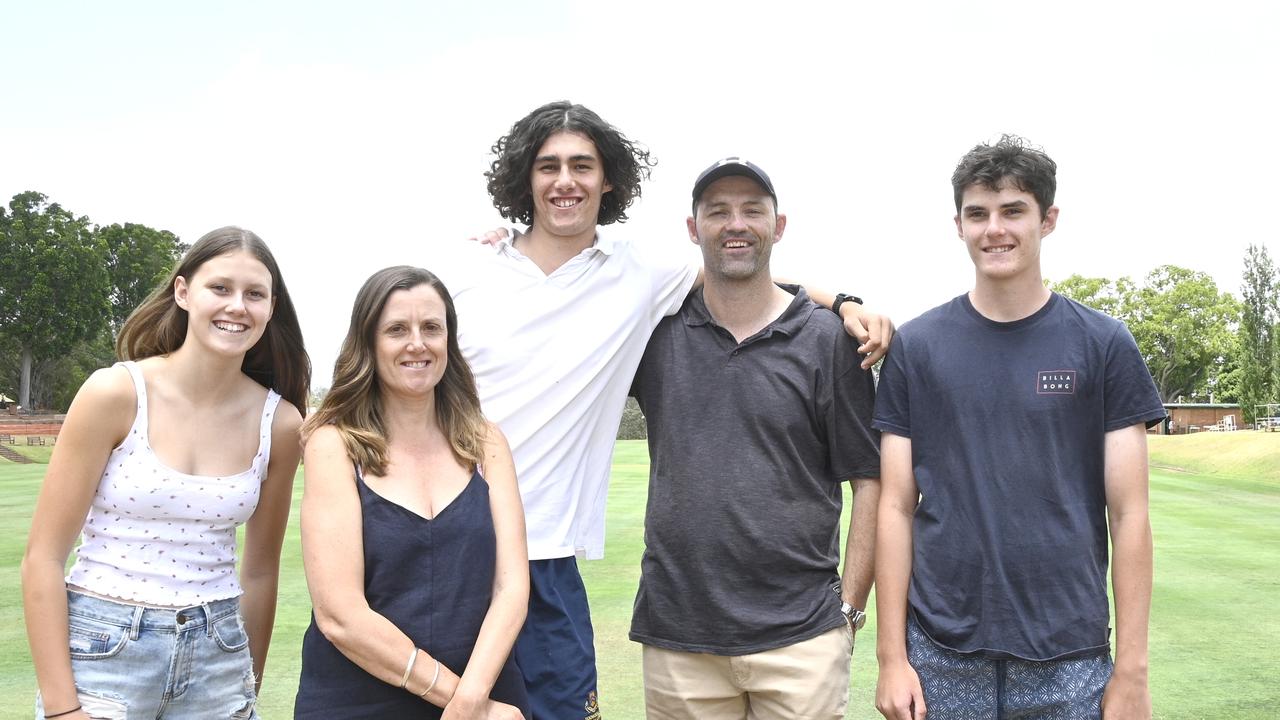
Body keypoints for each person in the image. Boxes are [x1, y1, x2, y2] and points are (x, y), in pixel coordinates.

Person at [440, 101, 893, 720]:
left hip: (549, 557)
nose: (565, 181)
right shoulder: (466, 269)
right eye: (548, 166)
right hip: (449, 543)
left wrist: (842, 301)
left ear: (609, 181)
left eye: (582, 165)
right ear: (525, 177)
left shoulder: (640, 272)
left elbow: (746, 271)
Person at [872, 135, 1165, 720]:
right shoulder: (917, 348)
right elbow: (895, 508)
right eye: (977, 214)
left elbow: (1129, 513)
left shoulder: (1103, 344)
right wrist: (890, 658)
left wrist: (1132, 670)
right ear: (958, 224)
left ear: (1047, 219)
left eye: (1013, 211)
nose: (994, 229)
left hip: (1071, 656)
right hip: (940, 655)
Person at [21, 227, 309, 719]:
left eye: (254, 294)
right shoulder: (114, 393)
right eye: (220, 288)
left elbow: (260, 571)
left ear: (271, 307)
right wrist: (63, 708)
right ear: (183, 292)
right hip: (104, 649)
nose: (236, 306)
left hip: (219, 657)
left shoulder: (280, 424)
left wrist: (247, 690)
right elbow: (43, 558)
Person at [628, 158, 881, 719]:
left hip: (803, 639)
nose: (734, 224)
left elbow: (872, 480)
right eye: (717, 212)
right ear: (693, 230)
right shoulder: (654, 334)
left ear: (779, 224)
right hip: (679, 637)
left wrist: (850, 611)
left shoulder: (830, 342)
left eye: (752, 210)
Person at [294, 266, 528, 719]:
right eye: (397, 329)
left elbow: (512, 586)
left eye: (432, 328)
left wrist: (475, 699)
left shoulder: (486, 442)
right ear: (369, 344)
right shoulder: (335, 446)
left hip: (489, 695)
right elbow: (341, 616)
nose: (417, 343)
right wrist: (465, 706)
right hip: (360, 702)